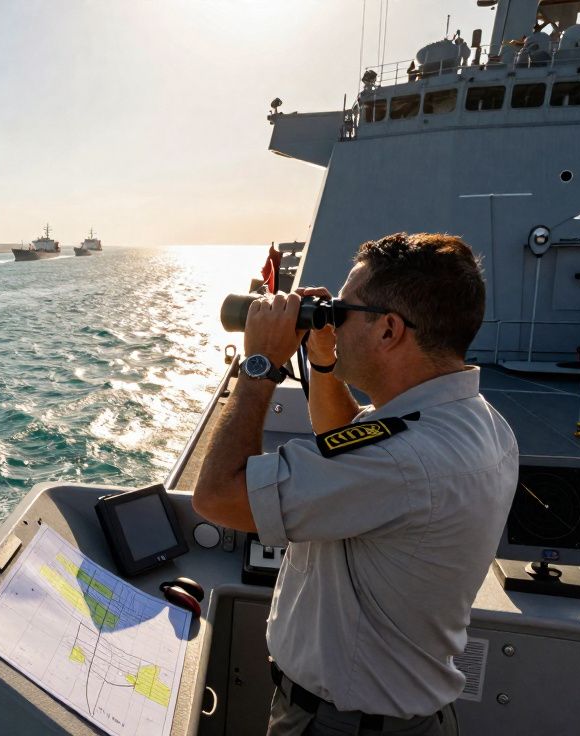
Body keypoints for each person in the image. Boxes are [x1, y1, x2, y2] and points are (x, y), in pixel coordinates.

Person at [193, 233, 519, 736]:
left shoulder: (402, 459)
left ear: (388, 330)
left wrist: (260, 364)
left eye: (342, 311)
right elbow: (347, 443)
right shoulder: (470, 420)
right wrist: (324, 359)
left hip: (340, 725)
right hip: (394, 715)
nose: (332, 318)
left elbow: (217, 495)